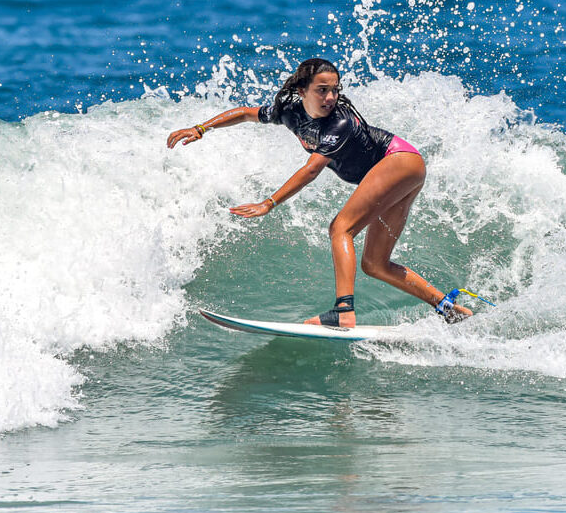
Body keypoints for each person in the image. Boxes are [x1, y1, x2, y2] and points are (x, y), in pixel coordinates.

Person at [166, 58, 471, 327]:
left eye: (335, 90)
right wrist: (201, 128)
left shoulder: (340, 122)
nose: (330, 97)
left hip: (400, 162)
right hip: (404, 169)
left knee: (341, 228)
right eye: (322, 90)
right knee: (375, 264)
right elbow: (247, 113)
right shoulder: (288, 110)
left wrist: (269, 203)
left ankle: (343, 311)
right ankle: (447, 308)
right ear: (302, 91)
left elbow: (312, 169)